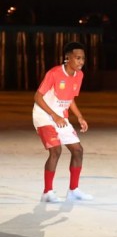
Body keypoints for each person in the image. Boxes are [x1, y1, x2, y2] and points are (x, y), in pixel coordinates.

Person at [33, 41, 93, 203]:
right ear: (68, 58)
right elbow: (37, 97)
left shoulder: (79, 75)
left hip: (61, 116)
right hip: (44, 115)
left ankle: (73, 190)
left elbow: (70, 98)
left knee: (78, 150)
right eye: (77, 58)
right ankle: (47, 192)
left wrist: (79, 116)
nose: (81, 62)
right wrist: (54, 115)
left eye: (83, 58)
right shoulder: (54, 73)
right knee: (56, 151)